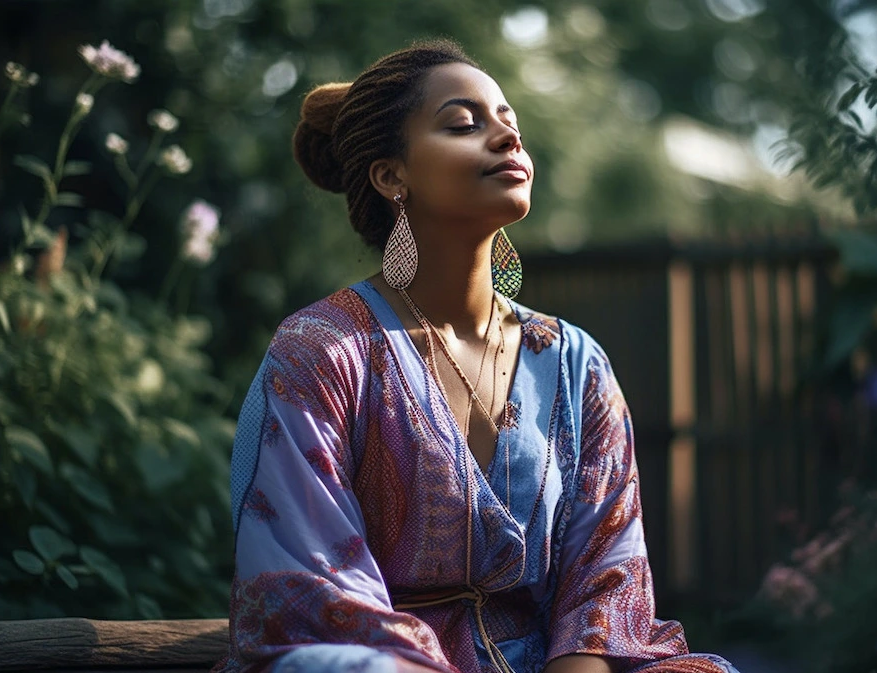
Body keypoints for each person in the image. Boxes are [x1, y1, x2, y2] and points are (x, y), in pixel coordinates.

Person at [214, 39, 741, 673]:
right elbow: (310, 588)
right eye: (464, 124)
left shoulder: (577, 365)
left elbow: (605, 582)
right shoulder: (322, 352)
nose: (505, 138)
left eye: (509, 123)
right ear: (391, 176)